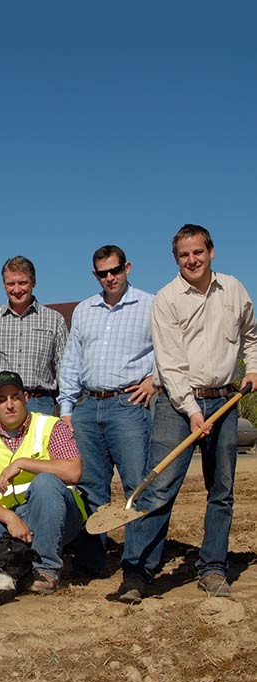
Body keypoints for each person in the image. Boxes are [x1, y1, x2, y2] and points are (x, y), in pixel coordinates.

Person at [118, 224, 257, 603]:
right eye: (184, 255)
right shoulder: (167, 299)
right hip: (176, 405)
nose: (192, 260)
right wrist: (194, 412)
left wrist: (254, 368)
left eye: (198, 252)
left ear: (211, 252)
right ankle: (137, 572)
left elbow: (251, 335)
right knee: (159, 489)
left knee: (222, 491)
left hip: (226, 401)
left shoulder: (234, 290)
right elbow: (171, 365)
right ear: (176, 259)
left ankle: (213, 569)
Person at [58, 245, 155, 574]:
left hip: (127, 406)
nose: (110, 277)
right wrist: (67, 409)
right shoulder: (85, 309)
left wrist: (155, 379)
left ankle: (138, 566)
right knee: (90, 489)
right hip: (87, 407)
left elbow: (170, 349)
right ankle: (91, 564)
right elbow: (72, 359)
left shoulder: (150, 305)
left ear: (127, 267)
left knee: (136, 487)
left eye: (116, 270)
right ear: (94, 275)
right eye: (103, 273)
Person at [0, 371, 86, 594]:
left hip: (59, 518)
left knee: (46, 482)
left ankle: (46, 569)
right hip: (13, 522)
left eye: (15, 397)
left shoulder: (51, 427)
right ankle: (18, 563)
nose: (9, 405)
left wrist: (23, 463)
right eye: (2, 399)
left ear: (26, 397)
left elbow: (73, 471)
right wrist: (10, 518)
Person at [0, 256, 68, 436]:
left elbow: (65, 369)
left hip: (39, 403)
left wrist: (66, 412)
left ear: (33, 282)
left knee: (40, 462)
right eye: (11, 284)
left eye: (23, 283)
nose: (17, 290)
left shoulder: (54, 320)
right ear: (4, 284)